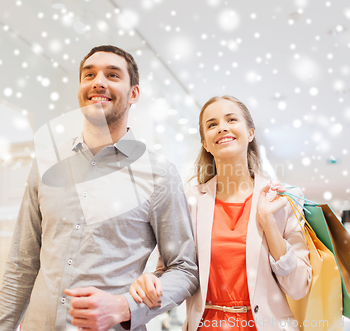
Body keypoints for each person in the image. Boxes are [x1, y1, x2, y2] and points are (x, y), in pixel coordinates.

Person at [0, 45, 199, 331]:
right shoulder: (46, 164)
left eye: (112, 75)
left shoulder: (159, 175)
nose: (98, 81)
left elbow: (185, 269)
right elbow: (21, 264)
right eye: (89, 74)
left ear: (134, 93)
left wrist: (126, 307)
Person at [129, 96, 312, 331]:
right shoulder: (189, 201)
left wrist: (268, 222)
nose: (222, 127)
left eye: (231, 119)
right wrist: (152, 283)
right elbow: (171, 270)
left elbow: (299, 287)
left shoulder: (282, 199)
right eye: (212, 124)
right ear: (205, 142)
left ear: (251, 132)